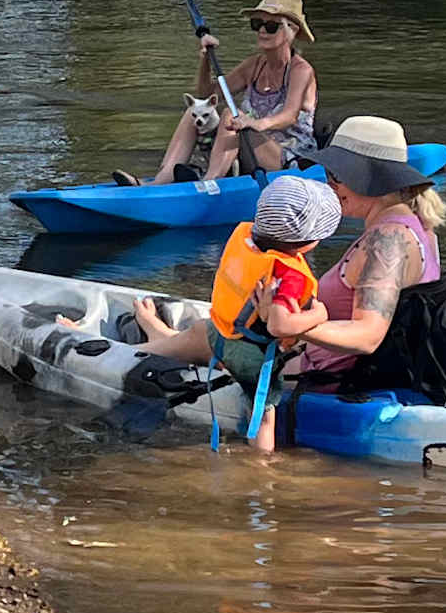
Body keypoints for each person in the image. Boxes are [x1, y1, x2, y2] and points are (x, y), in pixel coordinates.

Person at [134, 173, 340, 453]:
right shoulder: (289, 274)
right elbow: (280, 325)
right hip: (250, 353)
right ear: (309, 241)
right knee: (265, 413)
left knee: (207, 343)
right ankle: (262, 463)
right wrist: (319, 315)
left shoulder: (249, 239)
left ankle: (145, 343)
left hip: (219, 333)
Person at [265, 115, 443, 420]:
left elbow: (367, 336)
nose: (329, 184)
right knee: (207, 333)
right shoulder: (419, 226)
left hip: (328, 380)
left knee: (215, 338)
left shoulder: (388, 240)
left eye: (337, 175)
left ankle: (159, 346)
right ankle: (160, 334)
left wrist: (289, 324)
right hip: (336, 365)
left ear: (370, 180)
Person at [151, 0, 317, 183]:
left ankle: (210, 181)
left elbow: (289, 116)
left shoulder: (301, 70)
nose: (262, 30)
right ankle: (161, 179)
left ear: (293, 30)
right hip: (248, 149)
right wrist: (205, 60)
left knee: (231, 115)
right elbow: (207, 94)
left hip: (287, 159)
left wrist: (254, 124)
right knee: (194, 111)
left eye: (271, 26)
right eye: (257, 24)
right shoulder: (253, 65)